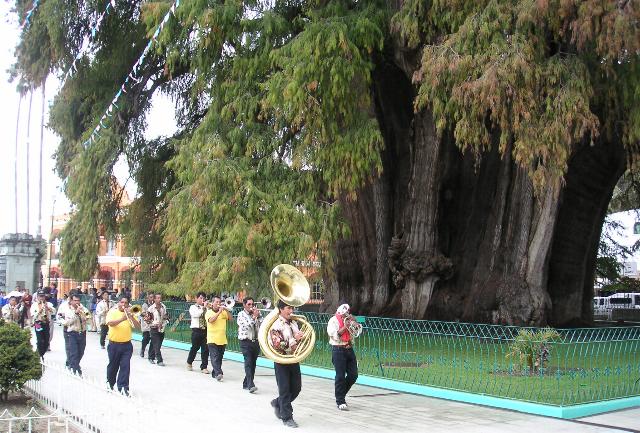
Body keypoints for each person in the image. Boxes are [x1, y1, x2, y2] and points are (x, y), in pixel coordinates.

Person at [269, 300, 304, 428]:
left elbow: (298, 341)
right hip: (281, 360)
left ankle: (277, 403)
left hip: (293, 359)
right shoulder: (275, 325)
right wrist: (295, 339)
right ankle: (287, 417)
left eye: (292, 308)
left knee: (296, 388)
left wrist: (301, 337)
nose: (291, 311)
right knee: (284, 389)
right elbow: (278, 344)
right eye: (288, 308)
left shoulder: (294, 323)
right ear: (281, 309)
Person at [327, 303, 359, 411]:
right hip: (338, 349)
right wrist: (346, 326)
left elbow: (356, 331)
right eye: (345, 312)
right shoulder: (333, 321)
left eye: (348, 312)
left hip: (349, 348)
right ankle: (340, 401)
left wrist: (354, 324)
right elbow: (335, 335)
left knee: (353, 375)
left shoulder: (348, 319)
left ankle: (339, 394)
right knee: (340, 376)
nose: (347, 314)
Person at [105, 296, 140, 395]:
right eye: (121, 302)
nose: (123, 304)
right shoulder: (112, 312)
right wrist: (122, 318)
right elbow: (110, 323)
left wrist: (131, 317)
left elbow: (138, 327)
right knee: (113, 366)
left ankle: (123, 387)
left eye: (125, 303)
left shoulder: (130, 313)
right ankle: (110, 383)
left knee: (125, 366)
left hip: (126, 345)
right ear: (118, 303)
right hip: (114, 344)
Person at [237, 297, 262, 393]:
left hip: (255, 341)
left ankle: (246, 383)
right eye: (249, 304)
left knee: (253, 364)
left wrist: (259, 316)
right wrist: (254, 317)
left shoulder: (255, 314)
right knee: (248, 362)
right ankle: (251, 384)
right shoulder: (241, 315)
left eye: (252, 304)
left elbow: (262, 324)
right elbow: (247, 325)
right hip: (245, 341)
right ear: (244, 305)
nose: (251, 306)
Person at [205, 295, 232, 381]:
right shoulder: (208, 312)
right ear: (212, 303)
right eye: (216, 302)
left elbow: (231, 319)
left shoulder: (223, 312)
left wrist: (226, 310)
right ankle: (219, 373)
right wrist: (219, 312)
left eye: (219, 302)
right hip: (212, 339)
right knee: (214, 356)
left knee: (219, 358)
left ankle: (215, 373)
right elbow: (211, 320)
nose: (218, 304)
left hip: (222, 339)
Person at [63, 294, 89, 375]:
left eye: (78, 300)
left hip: (82, 332)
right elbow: (67, 323)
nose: (77, 302)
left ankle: (74, 364)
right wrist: (76, 314)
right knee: (74, 352)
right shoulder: (67, 310)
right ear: (71, 301)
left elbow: (88, 316)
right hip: (72, 332)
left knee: (81, 351)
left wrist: (85, 316)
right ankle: (75, 369)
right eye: (75, 300)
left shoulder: (83, 308)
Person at [186, 292, 209, 373]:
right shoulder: (193, 307)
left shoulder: (207, 308)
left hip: (205, 330)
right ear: (196, 298)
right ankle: (189, 362)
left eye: (204, 298)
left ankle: (204, 367)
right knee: (195, 348)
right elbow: (196, 315)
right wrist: (203, 308)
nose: (203, 300)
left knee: (205, 349)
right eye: (201, 298)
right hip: (196, 330)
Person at [30, 290, 55, 359]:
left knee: (47, 341)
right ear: (37, 297)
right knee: (40, 339)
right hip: (38, 323)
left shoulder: (49, 304)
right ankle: (40, 355)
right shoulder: (34, 305)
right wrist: (39, 311)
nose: (41, 298)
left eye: (43, 296)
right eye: (40, 296)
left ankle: (40, 353)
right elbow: (33, 315)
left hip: (46, 323)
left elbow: (54, 312)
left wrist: (48, 308)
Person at [147, 293, 168, 366]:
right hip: (154, 328)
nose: (159, 299)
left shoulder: (163, 307)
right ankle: (159, 360)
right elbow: (148, 320)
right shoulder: (151, 308)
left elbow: (166, 316)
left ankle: (150, 357)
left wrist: (163, 320)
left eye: (160, 298)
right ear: (155, 299)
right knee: (156, 344)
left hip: (161, 328)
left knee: (156, 344)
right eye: (157, 298)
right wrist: (155, 324)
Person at [139, 293, 155, 359]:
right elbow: (142, 313)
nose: (152, 299)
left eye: (153, 297)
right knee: (146, 338)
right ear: (148, 298)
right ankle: (142, 349)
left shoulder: (155, 305)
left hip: (153, 324)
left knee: (153, 339)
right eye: (151, 297)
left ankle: (152, 353)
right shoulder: (145, 305)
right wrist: (147, 315)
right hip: (146, 325)